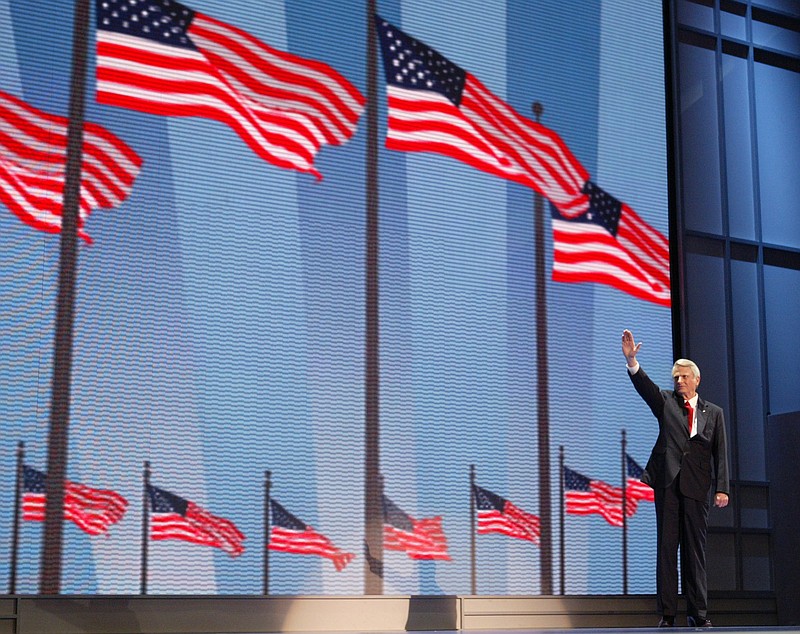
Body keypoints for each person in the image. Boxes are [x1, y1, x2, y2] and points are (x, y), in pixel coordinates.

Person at [621, 329, 729, 628]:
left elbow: (720, 453)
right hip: (668, 483)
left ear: (696, 380)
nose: (678, 381)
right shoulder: (666, 402)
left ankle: (699, 613)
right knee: (667, 549)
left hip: (697, 487)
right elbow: (646, 388)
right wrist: (632, 362)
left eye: (683, 377)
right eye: (675, 377)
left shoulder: (714, 413)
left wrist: (722, 489)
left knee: (695, 551)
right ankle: (667, 614)